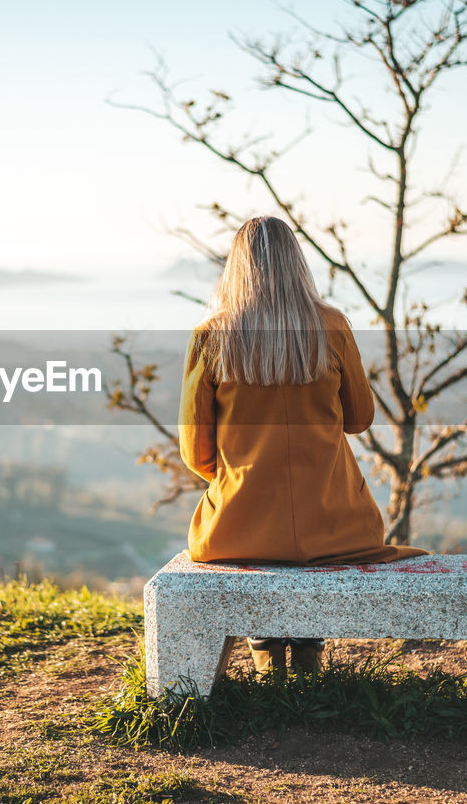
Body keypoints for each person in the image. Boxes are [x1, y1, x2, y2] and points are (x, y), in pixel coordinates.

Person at [177, 215, 428, 679]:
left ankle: (267, 653)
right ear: (297, 263)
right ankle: (309, 660)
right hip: (336, 527)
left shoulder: (211, 336)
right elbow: (359, 419)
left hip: (237, 529)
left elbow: (196, 453)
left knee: (254, 550)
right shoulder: (332, 326)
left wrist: (244, 482)